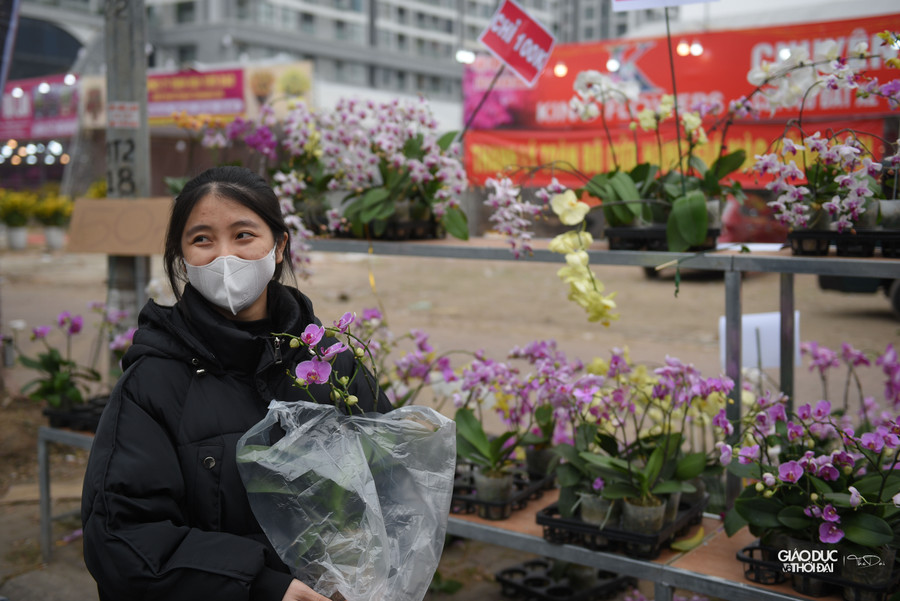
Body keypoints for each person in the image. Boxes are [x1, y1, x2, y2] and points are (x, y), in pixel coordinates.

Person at [81, 166, 392, 601]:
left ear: (279, 245)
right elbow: (121, 538)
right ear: (182, 255)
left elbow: (396, 486)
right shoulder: (154, 381)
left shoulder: (330, 364)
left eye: (244, 235)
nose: (225, 257)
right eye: (202, 239)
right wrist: (265, 588)